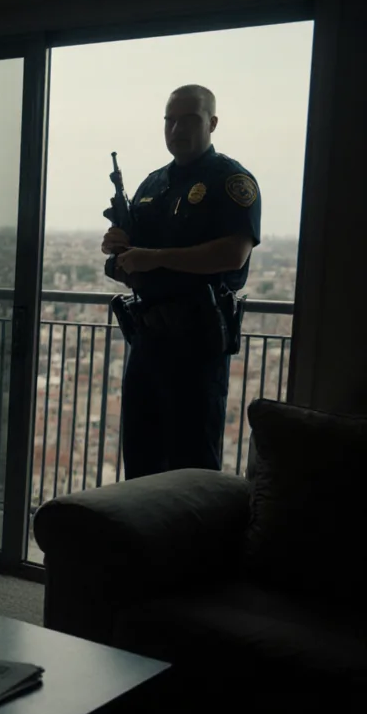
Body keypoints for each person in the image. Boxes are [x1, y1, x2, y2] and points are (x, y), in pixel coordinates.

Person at [102, 84, 261, 479]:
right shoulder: (152, 185)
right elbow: (130, 269)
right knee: (140, 460)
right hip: (148, 340)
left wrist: (152, 258)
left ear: (213, 122)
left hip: (197, 345)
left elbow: (232, 254)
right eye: (169, 121)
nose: (176, 129)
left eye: (188, 119)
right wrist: (119, 251)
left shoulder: (231, 181)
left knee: (191, 471)